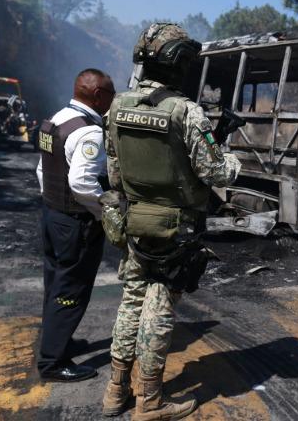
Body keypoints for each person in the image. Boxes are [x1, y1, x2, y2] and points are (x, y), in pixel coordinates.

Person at [101, 23, 240, 420]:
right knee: (158, 308)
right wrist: (231, 157)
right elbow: (218, 173)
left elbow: (113, 173)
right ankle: (150, 402)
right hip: (174, 228)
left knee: (130, 301)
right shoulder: (186, 111)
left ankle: (115, 390)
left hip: (133, 221)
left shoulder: (117, 106)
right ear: (179, 63)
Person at [36, 68, 116, 382]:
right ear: (98, 96)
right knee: (71, 289)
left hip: (52, 215)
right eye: (110, 93)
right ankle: (53, 363)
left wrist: (53, 203)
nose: (113, 99)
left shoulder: (54, 120)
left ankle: (55, 341)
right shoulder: (90, 132)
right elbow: (83, 183)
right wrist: (105, 211)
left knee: (55, 283)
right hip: (75, 222)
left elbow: (42, 171)